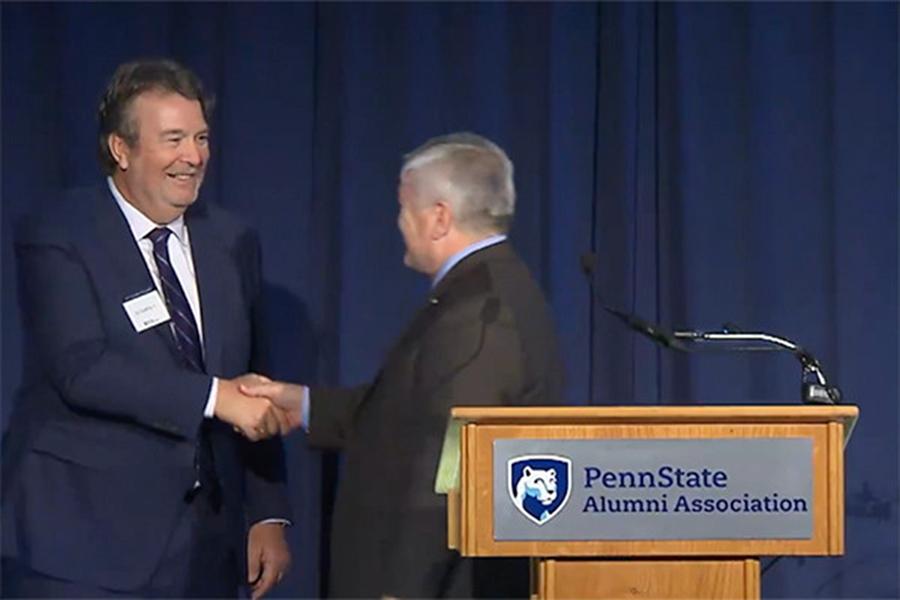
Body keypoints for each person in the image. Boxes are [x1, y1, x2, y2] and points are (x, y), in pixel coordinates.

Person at [1, 59, 292, 598]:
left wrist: (268, 513)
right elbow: (81, 368)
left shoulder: (232, 239)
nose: (194, 156)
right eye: (174, 139)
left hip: (207, 545)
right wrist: (213, 397)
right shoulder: (59, 233)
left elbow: (255, 380)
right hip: (83, 543)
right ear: (121, 149)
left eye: (201, 138)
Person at [243, 132, 565, 598]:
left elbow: (447, 468)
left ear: (438, 217)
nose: (398, 222)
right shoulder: (479, 292)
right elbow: (409, 411)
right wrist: (305, 404)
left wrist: (402, 590)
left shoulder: (480, 312)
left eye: (403, 208)